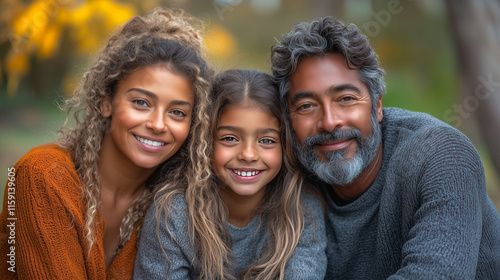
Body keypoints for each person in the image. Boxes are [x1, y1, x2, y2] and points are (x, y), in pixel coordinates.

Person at [271, 16, 500, 279]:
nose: (330, 122)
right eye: (306, 106)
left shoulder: (441, 155)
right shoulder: (285, 172)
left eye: (346, 99)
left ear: (377, 106)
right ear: (289, 119)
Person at [0, 8, 212, 279]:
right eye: (141, 103)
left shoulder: (172, 207)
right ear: (106, 101)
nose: (159, 124)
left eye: (177, 112)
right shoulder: (41, 175)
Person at [133, 69, 327, 280]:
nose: (248, 155)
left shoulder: (301, 211)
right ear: (204, 142)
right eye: (230, 138)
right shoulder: (173, 214)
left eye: (267, 141)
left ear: (285, 147)